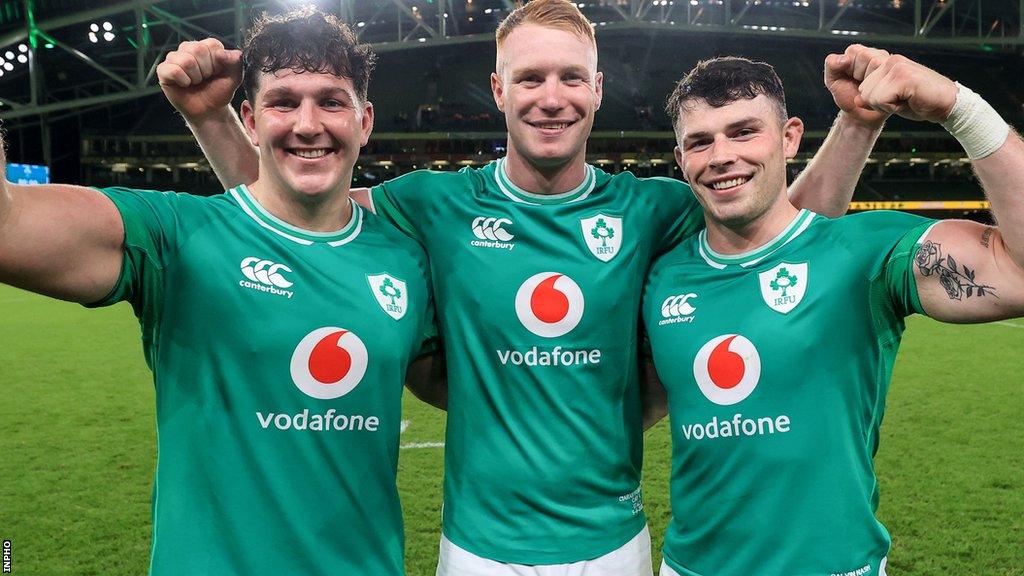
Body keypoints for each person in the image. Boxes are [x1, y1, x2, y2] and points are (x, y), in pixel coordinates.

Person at [159, 2, 883, 572]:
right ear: (500, 90)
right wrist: (210, 117)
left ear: (596, 90)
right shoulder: (432, 205)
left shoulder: (652, 209)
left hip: (614, 544)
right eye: (530, 79)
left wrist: (855, 124)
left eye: (571, 77)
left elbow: (782, 225)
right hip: (477, 548)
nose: (551, 98)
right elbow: (288, 216)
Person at [0, 9, 435, 575]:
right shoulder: (177, 236)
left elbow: (469, 385)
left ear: (365, 120)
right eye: (284, 102)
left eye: (331, 101)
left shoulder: (402, 257)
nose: (308, 124)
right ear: (249, 120)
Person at [644, 47, 1024, 576]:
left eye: (744, 131)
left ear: (790, 137)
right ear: (681, 158)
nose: (721, 155)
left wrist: (960, 110)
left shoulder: (863, 253)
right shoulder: (661, 276)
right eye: (700, 141)